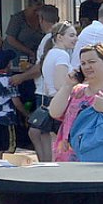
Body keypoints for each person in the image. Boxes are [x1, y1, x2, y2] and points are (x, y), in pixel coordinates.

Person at [32, 21, 80, 162]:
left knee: (51, 145)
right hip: (59, 103)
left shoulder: (50, 53)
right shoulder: (61, 55)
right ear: (59, 37)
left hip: (49, 100)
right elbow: (60, 85)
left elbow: (49, 85)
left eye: (75, 35)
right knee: (59, 146)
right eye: (71, 35)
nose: (75, 39)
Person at [4, 0, 47, 64]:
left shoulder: (41, 19)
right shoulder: (18, 18)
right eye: (35, 10)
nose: (37, 13)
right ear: (28, 7)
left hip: (33, 58)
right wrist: (29, 52)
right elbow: (11, 39)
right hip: (15, 56)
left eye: (40, 10)